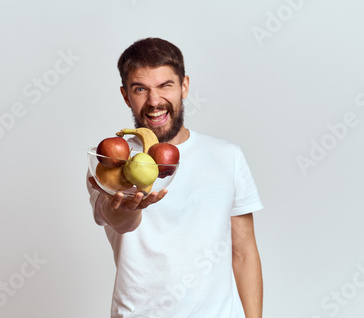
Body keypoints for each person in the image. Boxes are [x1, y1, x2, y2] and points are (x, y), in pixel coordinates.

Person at [87, 37, 264, 318]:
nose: (154, 101)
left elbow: (244, 252)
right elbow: (118, 220)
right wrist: (131, 206)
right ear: (125, 95)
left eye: (165, 85)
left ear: (184, 86)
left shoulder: (227, 156)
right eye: (140, 89)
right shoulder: (110, 160)